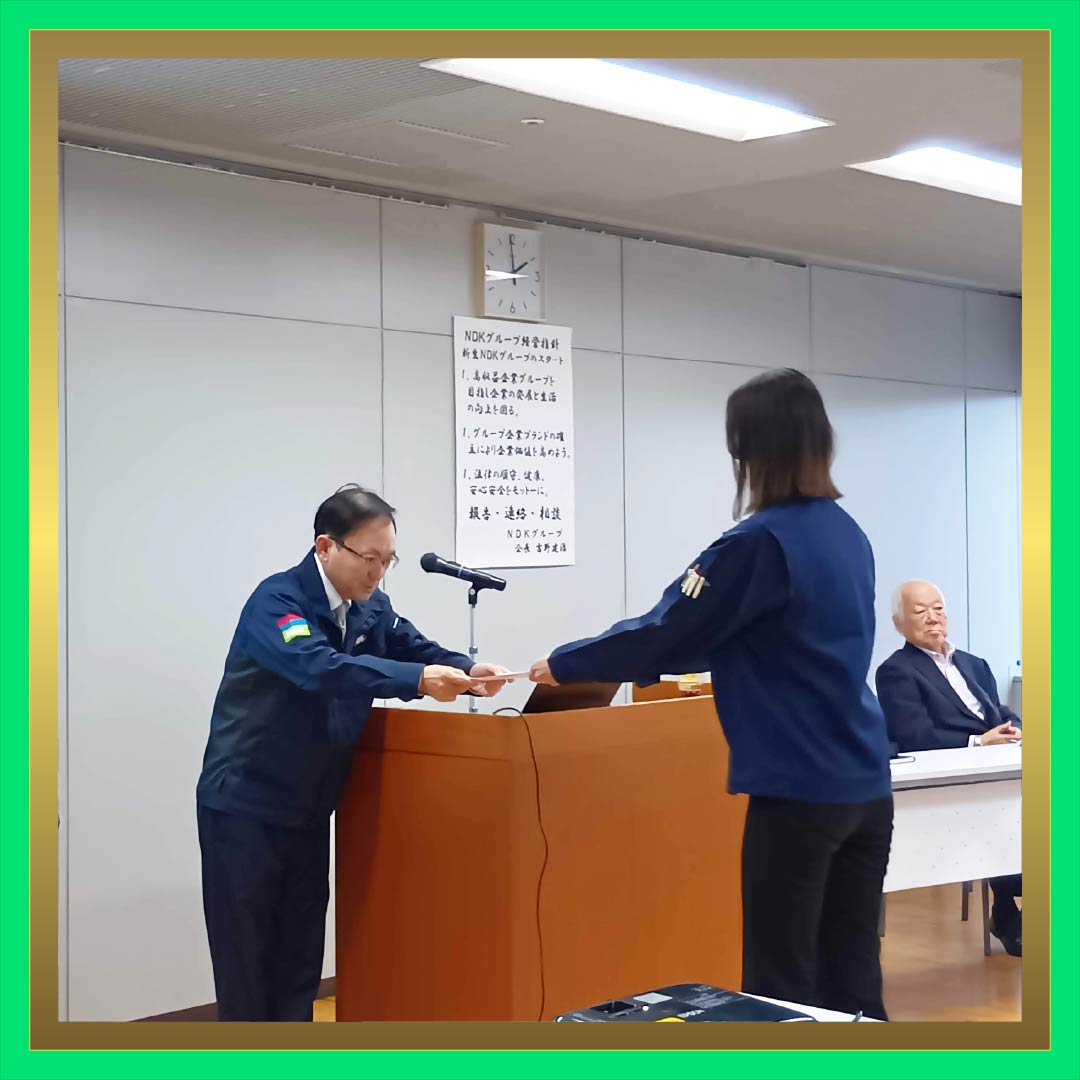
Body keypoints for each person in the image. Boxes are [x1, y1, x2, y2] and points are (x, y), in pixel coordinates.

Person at [530, 368, 893, 1020]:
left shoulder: (757, 542)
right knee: (854, 981)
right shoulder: (849, 532)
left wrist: (565, 663)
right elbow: (737, 635)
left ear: (750, 450)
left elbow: (669, 629)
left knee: (782, 989)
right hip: (865, 785)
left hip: (799, 792)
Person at [196, 484, 510, 1020]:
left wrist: (465, 668)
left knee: (299, 958)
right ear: (326, 547)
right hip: (245, 806)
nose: (379, 573)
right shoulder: (278, 602)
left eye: (389, 561)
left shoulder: (370, 606)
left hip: (309, 807)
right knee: (248, 961)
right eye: (370, 559)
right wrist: (417, 681)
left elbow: (413, 646)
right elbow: (319, 667)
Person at [876, 579, 1022, 956]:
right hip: (950, 779)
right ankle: (1008, 909)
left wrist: (1015, 728)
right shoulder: (896, 671)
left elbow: (998, 712)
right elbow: (914, 735)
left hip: (998, 769)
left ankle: (1016, 901)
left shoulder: (974, 664)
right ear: (898, 624)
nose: (932, 618)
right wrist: (978, 741)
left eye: (938, 608)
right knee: (1000, 815)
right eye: (920, 611)